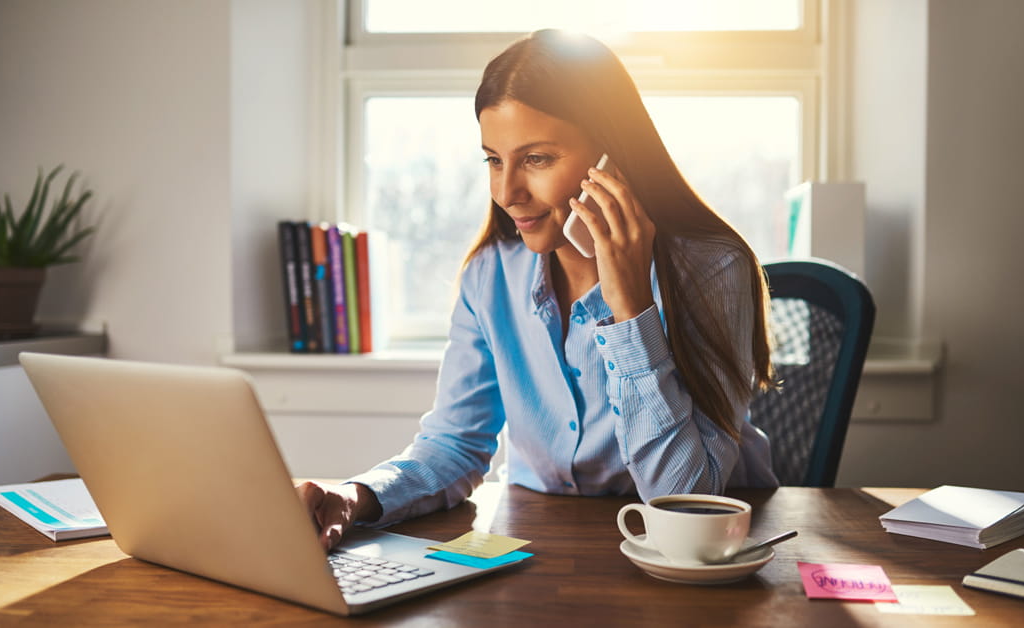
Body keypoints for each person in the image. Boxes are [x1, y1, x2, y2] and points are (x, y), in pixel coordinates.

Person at [297, 29, 778, 551]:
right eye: (494, 160)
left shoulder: (710, 269)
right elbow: (455, 444)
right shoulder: (490, 275)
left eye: (537, 159)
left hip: (698, 559)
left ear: (611, 159)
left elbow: (685, 500)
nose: (507, 192)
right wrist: (354, 495)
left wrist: (631, 308)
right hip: (537, 547)